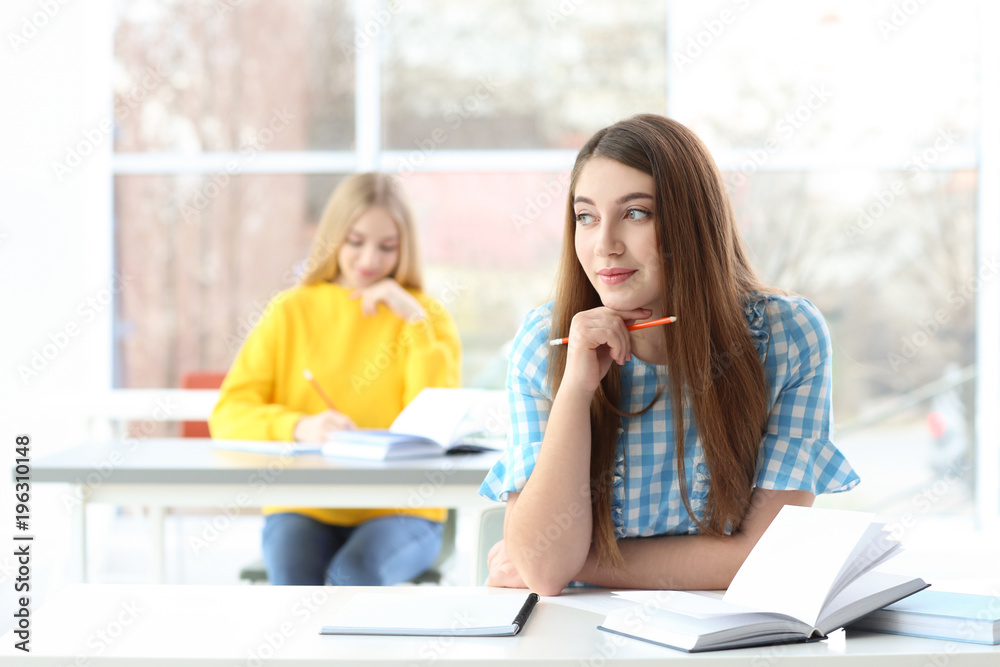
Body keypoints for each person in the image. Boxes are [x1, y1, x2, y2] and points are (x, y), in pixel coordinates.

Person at [479, 115, 859, 596]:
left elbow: (765, 557)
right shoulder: (544, 342)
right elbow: (547, 573)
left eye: (636, 213)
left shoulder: (789, 337)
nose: (604, 245)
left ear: (692, 223)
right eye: (586, 216)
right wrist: (576, 391)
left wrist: (583, 560)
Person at [210, 172, 461, 586]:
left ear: (405, 247)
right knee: (295, 580)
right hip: (303, 506)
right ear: (333, 238)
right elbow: (229, 413)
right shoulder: (290, 311)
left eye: (387, 247)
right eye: (355, 241)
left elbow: (432, 423)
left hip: (403, 512)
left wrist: (413, 321)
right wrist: (299, 426)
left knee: (354, 574)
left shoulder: (426, 317)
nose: (368, 261)